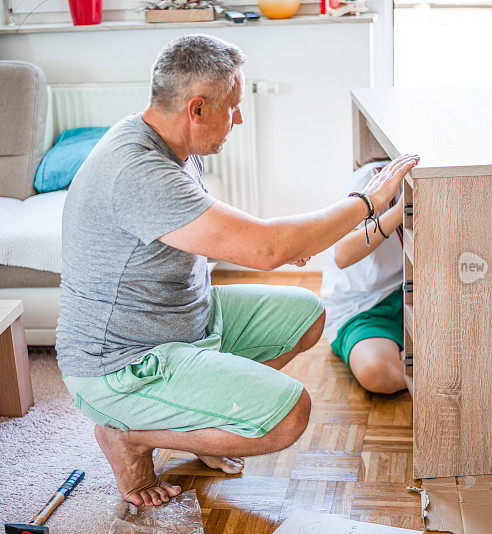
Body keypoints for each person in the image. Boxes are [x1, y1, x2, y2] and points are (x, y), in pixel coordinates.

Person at [56, 34, 419, 507]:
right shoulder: (139, 172)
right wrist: (368, 202)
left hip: (183, 322)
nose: (240, 118)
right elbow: (268, 248)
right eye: (233, 106)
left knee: (308, 314)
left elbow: (256, 240)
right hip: (122, 364)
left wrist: (293, 242)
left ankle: (199, 423)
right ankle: (129, 436)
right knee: (289, 415)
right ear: (197, 109)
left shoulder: (169, 140)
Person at [320, 161, 407, 394]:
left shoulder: (445, 180)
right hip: (362, 305)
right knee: (378, 373)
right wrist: (399, 211)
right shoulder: (373, 179)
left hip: (411, 292)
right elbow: (343, 254)